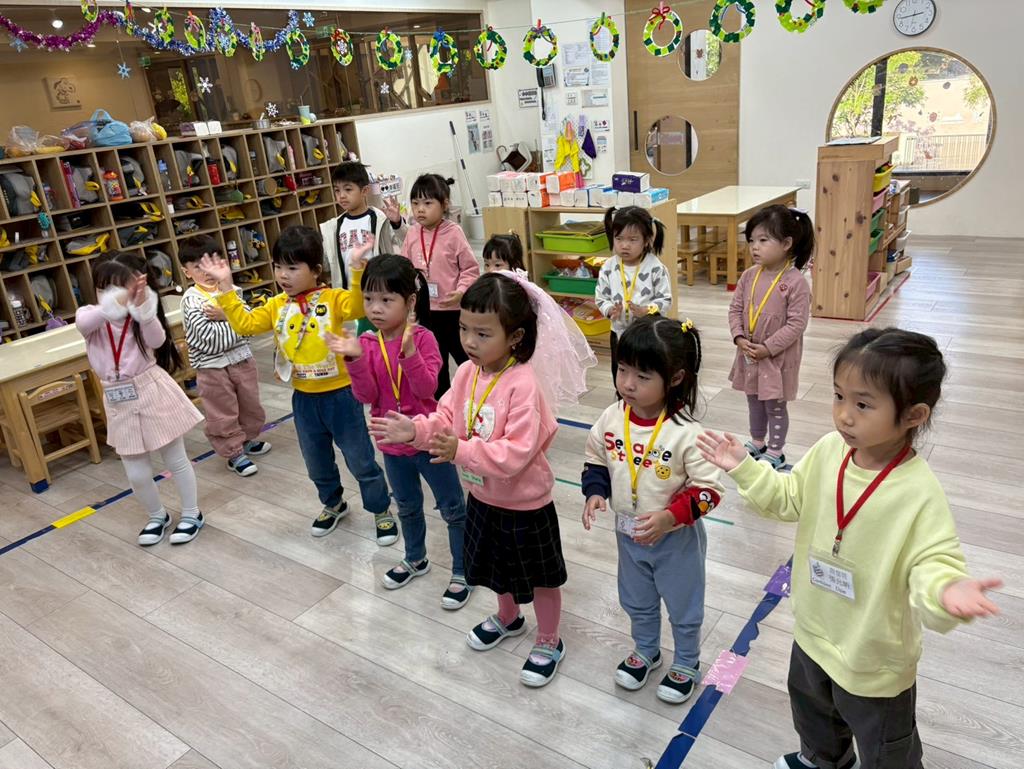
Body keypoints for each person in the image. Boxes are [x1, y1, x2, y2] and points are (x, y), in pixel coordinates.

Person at [697, 328, 1003, 769]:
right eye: (839, 396)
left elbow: (933, 560)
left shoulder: (918, 492)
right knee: (813, 714)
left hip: (873, 657)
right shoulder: (829, 451)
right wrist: (745, 468)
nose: (843, 415)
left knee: (885, 747)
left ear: (914, 415)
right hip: (813, 630)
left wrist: (946, 589)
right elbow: (788, 499)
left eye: (863, 404)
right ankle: (824, 759)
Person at [371, 272, 594, 688]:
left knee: (542, 577)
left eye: (483, 333)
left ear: (515, 337)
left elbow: (516, 453)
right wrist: (416, 431)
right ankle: (509, 617)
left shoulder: (523, 385)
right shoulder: (466, 374)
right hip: (483, 496)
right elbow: (445, 417)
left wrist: (460, 450)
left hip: (526, 505)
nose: (469, 341)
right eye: (463, 329)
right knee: (493, 567)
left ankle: (549, 638)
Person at [198, 226, 397, 545]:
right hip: (303, 401)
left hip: (341, 397)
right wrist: (225, 287)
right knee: (316, 462)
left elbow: (358, 307)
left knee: (360, 459)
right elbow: (247, 324)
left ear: (315, 270)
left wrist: (357, 267)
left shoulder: (332, 298)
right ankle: (333, 504)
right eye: (278, 266)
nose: (283, 275)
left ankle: (380, 509)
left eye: (292, 267)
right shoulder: (276, 305)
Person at [581, 315, 724, 704]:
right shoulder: (612, 417)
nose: (627, 383)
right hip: (628, 535)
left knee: (683, 604)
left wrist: (670, 517)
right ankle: (646, 649)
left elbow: (710, 491)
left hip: (675, 542)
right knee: (636, 598)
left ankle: (687, 661)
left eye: (642, 376)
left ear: (675, 378)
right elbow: (596, 457)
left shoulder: (686, 433)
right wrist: (595, 491)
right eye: (622, 370)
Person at [325, 254, 471, 610]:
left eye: (386, 299)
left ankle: (464, 568)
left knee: (453, 507)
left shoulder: (423, 338)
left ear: (410, 301)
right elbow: (366, 396)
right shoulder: (368, 344)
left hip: (430, 440)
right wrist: (355, 359)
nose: (375, 308)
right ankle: (416, 557)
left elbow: (427, 389)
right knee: (406, 506)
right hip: (391, 445)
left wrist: (408, 354)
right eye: (369, 298)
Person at [75, 251, 205, 546]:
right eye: (103, 288)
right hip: (118, 399)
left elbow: (157, 341)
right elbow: (85, 322)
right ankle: (157, 516)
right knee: (136, 473)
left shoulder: (139, 316)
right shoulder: (90, 316)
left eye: (118, 288)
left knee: (176, 459)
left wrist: (144, 308)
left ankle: (192, 513)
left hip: (151, 389)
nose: (110, 295)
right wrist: (116, 301)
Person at [728, 204, 813, 470]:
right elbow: (735, 309)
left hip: (777, 358)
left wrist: (767, 347)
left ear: (786, 243)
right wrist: (739, 337)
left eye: (763, 240)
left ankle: (776, 450)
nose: (755, 247)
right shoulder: (749, 276)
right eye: (752, 240)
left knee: (775, 405)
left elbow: (797, 324)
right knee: (753, 399)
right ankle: (757, 441)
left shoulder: (796, 282)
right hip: (749, 353)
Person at [179, 234, 270, 477]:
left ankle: (247, 439)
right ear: (187, 272)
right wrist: (234, 319)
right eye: (198, 267)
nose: (207, 272)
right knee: (222, 411)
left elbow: (250, 325)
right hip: (213, 368)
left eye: (213, 264)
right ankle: (233, 452)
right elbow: (212, 340)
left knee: (250, 404)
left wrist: (227, 316)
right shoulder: (192, 300)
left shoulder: (232, 290)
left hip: (242, 360)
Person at [401, 173, 480, 397]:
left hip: (452, 312)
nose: (420, 210)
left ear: (444, 205)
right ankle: (441, 404)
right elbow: (405, 268)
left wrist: (461, 291)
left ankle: (476, 397)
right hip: (425, 313)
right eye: (415, 203)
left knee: (466, 360)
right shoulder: (413, 233)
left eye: (427, 203)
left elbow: (470, 268)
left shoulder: (454, 233)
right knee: (435, 363)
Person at [595, 206, 672, 383]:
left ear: (646, 240)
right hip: (618, 332)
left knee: (645, 372)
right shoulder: (608, 267)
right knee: (620, 372)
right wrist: (609, 310)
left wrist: (648, 310)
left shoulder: (655, 267)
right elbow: (601, 297)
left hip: (647, 334)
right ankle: (622, 398)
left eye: (632, 239)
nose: (624, 245)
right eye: (619, 238)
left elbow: (665, 299)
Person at [320, 161, 407, 291]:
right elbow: (327, 264)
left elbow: (406, 241)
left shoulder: (380, 219)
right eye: (337, 190)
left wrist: (397, 222)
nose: (341, 196)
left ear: (365, 190)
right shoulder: (333, 227)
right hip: (348, 294)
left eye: (348, 189)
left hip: (379, 290)